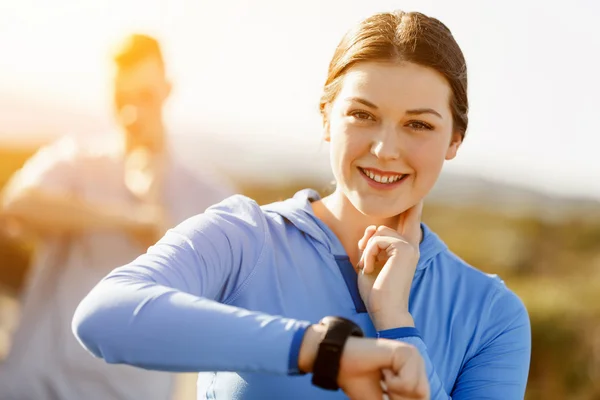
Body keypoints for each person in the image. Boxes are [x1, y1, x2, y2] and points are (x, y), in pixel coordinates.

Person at [72, 10, 531, 400]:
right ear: (326, 119)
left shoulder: (492, 315)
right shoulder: (246, 238)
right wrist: (323, 349)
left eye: (418, 125)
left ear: (454, 140)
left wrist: (396, 322)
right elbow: (105, 315)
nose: (385, 148)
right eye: (363, 115)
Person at [0, 34, 235, 399]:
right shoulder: (77, 161)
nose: (132, 112)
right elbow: (17, 203)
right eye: (121, 98)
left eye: (145, 96)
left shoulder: (209, 195)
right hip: (36, 387)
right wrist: (129, 217)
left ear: (168, 90)